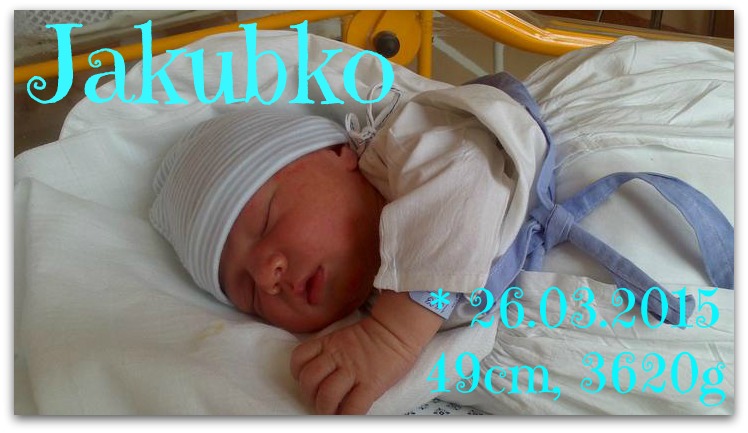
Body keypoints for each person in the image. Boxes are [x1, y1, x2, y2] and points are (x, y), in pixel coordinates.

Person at [149, 75, 549, 414]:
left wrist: (391, 335)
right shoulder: (358, 326)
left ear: (339, 154)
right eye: (248, 291)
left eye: (266, 221)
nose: (267, 276)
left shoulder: (410, 150)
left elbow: (464, 185)